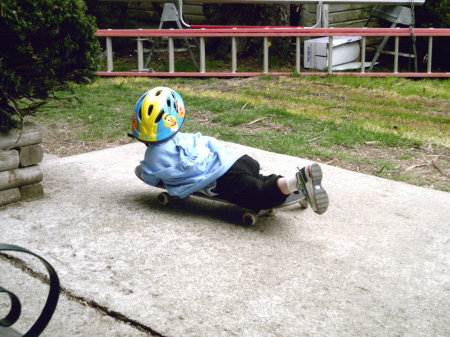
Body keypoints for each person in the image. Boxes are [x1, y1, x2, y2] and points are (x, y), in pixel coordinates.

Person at [130, 86, 329, 214]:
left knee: (258, 195)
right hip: (239, 160)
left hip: (222, 179)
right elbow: (210, 142)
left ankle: (298, 180)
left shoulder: (152, 158)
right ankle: (289, 183)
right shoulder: (188, 137)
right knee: (257, 179)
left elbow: (150, 177)